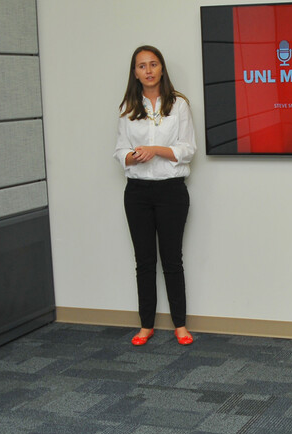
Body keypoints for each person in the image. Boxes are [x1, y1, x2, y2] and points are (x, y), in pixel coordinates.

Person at [113, 45, 196, 346]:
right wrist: (133, 157)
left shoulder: (179, 105)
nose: (147, 70)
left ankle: (180, 325)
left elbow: (188, 150)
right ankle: (146, 324)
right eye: (141, 66)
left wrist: (156, 151)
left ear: (162, 68)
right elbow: (120, 150)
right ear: (134, 73)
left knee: (172, 260)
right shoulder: (127, 107)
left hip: (171, 191)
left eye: (153, 64)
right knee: (144, 261)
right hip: (137, 194)